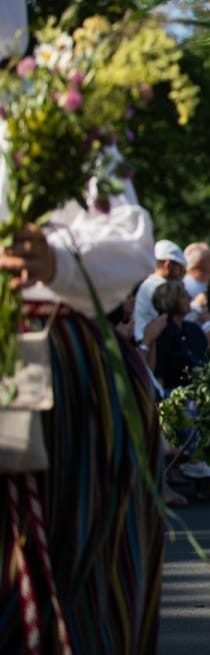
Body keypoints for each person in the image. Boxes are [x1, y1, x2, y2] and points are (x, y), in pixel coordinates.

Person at [0, 178, 164, 653]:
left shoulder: (72, 117)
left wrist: (55, 261)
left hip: (59, 362)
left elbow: (129, 241)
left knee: (72, 567)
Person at [132, 238, 186, 346]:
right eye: (180, 267)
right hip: (152, 342)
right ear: (168, 265)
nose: (182, 273)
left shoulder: (151, 283)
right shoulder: (159, 286)